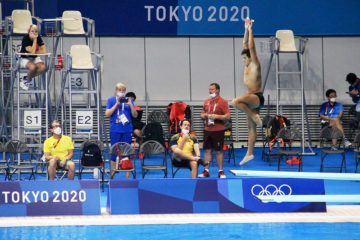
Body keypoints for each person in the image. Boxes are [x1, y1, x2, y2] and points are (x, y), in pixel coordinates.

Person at [231, 18, 264, 165]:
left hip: (256, 97)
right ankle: (249, 153)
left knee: (235, 102)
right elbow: (245, 45)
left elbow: (251, 47)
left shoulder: (255, 64)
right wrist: (245, 30)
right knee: (251, 128)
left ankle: (254, 116)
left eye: (245, 58)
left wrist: (251, 31)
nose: (243, 60)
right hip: (251, 99)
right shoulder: (246, 65)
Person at [105, 83, 138, 179]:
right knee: (114, 151)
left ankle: (127, 178)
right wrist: (116, 104)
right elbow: (107, 114)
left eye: (124, 90)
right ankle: (112, 177)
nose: (122, 92)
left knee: (127, 152)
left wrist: (131, 105)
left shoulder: (129, 100)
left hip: (127, 129)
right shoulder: (111, 100)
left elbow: (135, 115)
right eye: (120, 90)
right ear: (116, 90)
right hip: (115, 129)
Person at [199, 83, 230, 178]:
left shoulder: (223, 102)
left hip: (218, 130)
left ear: (217, 90)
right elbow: (202, 113)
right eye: (209, 89)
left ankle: (220, 171)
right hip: (207, 129)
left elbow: (228, 116)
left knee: (218, 151)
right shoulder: (207, 101)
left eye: (212, 89)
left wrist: (217, 116)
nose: (210, 91)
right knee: (207, 151)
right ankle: (206, 171)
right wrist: (203, 115)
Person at [19, 24, 47, 90]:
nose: (34, 33)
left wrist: (35, 53)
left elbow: (44, 51)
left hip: (34, 58)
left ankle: (26, 78)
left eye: (36, 31)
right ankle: (28, 81)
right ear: (29, 32)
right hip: (25, 58)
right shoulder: (25, 38)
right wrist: (34, 40)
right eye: (32, 31)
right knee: (33, 67)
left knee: (43, 67)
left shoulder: (38, 37)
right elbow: (31, 51)